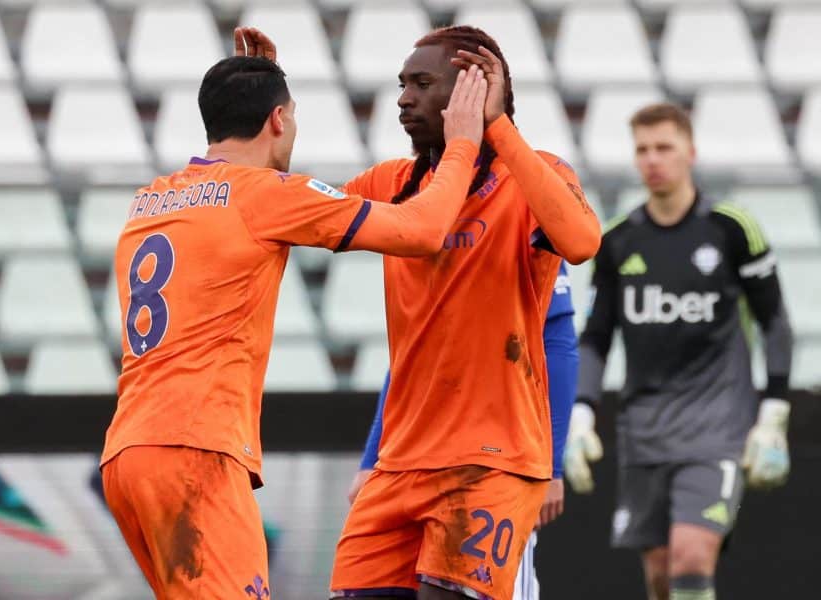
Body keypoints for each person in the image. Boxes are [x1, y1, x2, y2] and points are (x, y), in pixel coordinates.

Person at [99, 38, 492, 598]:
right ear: (278, 120)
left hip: (128, 452)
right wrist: (463, 145)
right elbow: (422, 230)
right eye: (292, 117)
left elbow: (225, 221)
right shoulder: (267, 195)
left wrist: (258, 80)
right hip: (196, 448)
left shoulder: (150, 200)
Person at [239, 24, 601, 599]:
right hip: (399, 463)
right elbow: (280, 207)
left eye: (422, 84)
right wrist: (260, 100)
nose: (404, 99)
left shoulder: (537, 176)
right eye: (402, 85)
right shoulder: (392, 183)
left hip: (491, 461)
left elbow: (582, 243)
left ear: (474, 91)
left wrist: (496, 127)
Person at [564, 102, 794, 600]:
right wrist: (580, 415)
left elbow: (774, 322)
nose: (653, 159)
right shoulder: (617, 240)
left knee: (691, 555)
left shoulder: (732, 228)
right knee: (661, 574)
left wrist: (773, 415)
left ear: (690, 152)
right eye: (643, 149)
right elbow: (597, 336)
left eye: (664, 147)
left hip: (718, 426)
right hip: (644, 430)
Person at [348, 261, 580, 600]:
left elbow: (558, 343)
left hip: (496, 462)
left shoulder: (520, 228)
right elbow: (410, 350)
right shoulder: (427, 230)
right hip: (416, 459)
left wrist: (552, 465)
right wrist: (373, 459)